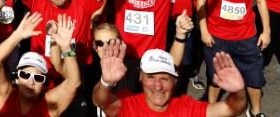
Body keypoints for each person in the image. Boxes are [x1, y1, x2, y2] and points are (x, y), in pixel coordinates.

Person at [195, 0, 270, 117]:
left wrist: (266, 31)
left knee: (254, 79)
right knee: (214, 77)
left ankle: (256, 112)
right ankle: (210, 109)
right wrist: (204, 31)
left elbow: (261, 1)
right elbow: (201, 2)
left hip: (246, 36)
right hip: (217, 36)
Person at [93, 40, 247, 116]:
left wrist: (239, 91)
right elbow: (101, 101)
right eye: (151, 77)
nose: (157, 86)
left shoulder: (187, 108)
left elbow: (232, 108)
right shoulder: (128, 105)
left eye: (164, 79)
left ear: (175, 81)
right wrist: (106, 82)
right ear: (141, 78)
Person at [0, 12, 81, 116]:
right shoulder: (5, 97)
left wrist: (66, 48)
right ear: (17, 78)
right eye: (25, 75)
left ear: (43, 85)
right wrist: (17, 36)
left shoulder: (49, 105)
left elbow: (74, 83)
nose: (31, 81)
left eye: (38, 78)